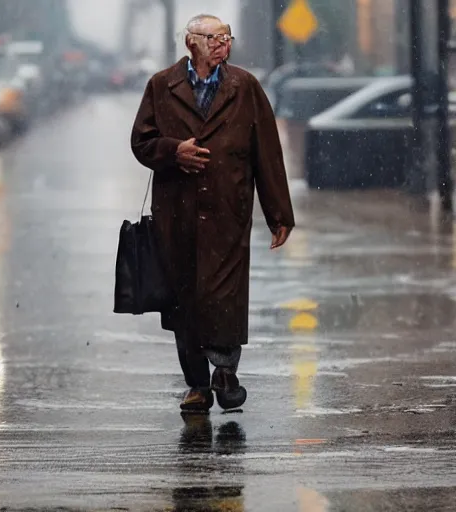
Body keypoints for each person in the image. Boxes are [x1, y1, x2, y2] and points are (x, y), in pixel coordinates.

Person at [131, 14, 294, 413]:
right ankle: (197, 385)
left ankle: (225, 370)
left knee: (225, 294)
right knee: (185, 299)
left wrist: (279, 214)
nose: (223, 44)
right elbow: (141, 142)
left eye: (226, 37)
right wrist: (173, 151)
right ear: (191, 44)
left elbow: (266, 154)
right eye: (213, 38)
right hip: (178, 215)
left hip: (228, 210)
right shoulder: (161, 86)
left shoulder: (246, 87)